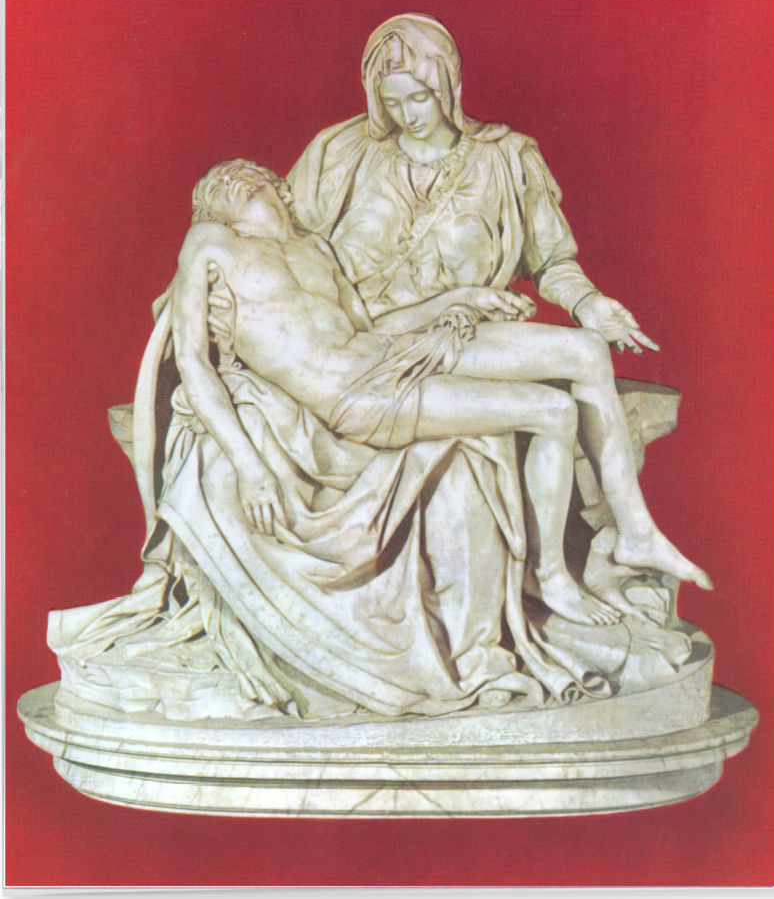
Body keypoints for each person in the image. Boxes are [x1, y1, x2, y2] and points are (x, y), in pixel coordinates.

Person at [176, 159, 711, 637]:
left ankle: (636, 531)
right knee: (552, 411)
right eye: (218, 182)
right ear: (212, 210)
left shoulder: (314, 248)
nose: (230, 174)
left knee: (584, 350)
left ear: (280, 189)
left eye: (245, 171)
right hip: (358, 397)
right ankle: (548, 574)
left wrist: (461, 299)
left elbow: (371, 327)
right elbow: (192, 360)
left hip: (389, 354)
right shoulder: (211, 243)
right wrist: (249, 465)